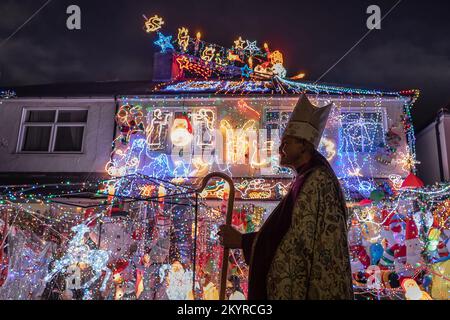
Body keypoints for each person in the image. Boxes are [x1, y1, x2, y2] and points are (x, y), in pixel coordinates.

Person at [218, 94, 354, 300]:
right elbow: (291, 234)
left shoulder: (315, 180)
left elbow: (296, 243)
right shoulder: (308, 178)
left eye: (286, 143)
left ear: (304, 145)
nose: (280, 149)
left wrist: (243, 241)